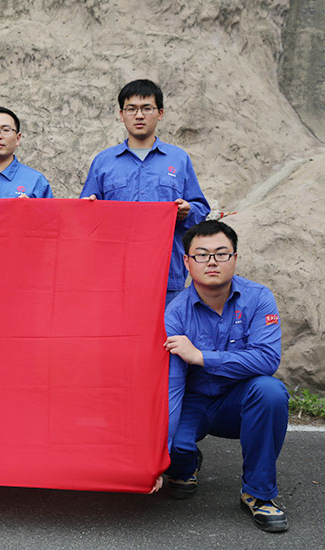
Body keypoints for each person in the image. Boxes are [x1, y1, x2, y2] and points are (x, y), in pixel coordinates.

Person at [163, 220, 289, 532]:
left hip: (240, 401)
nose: (212, 262)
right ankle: (186, 463)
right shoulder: (175, 312)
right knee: (174, 452)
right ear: (186, 261)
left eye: (221, 254)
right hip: (193, 402)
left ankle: (258, 493)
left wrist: (202, 357)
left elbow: (267, 359)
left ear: (234, 258)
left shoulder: (259, 298)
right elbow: (172, 386)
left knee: (271, 392)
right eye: (202, 255)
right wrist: (158, 456)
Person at [80, 80, 210, 304]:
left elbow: (201, 209)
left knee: (166, 327)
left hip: (167, 274)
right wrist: (88, 208)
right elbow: (84, 218)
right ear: (122, 115)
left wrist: (188, 211)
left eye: (147, 108)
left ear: (160, 113)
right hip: (114, 275)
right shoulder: (104, 162)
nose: (139, 116)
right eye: (131, 109)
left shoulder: (178, 159)